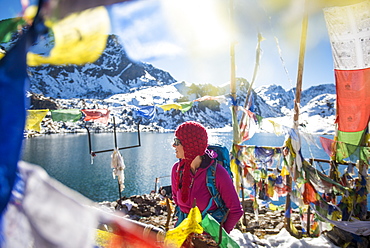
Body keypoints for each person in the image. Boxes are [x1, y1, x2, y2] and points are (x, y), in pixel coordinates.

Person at [171, 121, 243, 233]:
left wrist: (220, 235)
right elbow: (177, 202)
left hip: (208, 237)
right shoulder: (177, 170)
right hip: (182, 233)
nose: (173, 145)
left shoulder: (217, 173)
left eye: (177, 142)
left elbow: (236, 210)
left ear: (190, 145)